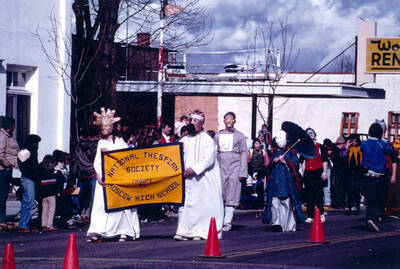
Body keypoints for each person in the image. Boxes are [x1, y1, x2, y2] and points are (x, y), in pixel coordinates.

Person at [87, 108, 140, 242]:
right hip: (103, 179)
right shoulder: (101, 142)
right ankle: (98, 231)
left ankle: (124, 231)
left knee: (120, 207)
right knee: (100, 205)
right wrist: (98, 175)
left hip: (117, 179)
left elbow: (124, 159)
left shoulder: (120, 142)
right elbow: (97, 161)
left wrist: (109, 153)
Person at [174, 110, 224, 240]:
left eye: (195, 121)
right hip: (187, 179)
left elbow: (209, 159)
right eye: (191, 120)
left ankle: (201, 232)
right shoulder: (184, 139)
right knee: (187, 204)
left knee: (203, 204)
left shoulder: (208, 139)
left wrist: (194, 169)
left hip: (203, 179)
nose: (192, 123)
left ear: (202, 123)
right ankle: (185, 231)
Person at [263, 130, 304, 231]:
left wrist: (285, 161)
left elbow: (295, 164)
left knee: (286, 203)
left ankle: (288, 225)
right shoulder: (275, 152)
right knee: (275, 202)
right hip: (275, 181)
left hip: (286, 180)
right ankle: (277, 224)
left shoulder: (291, 152)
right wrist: (274, 161)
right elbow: (269, 166)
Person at [214, 112, 248, 232]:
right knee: (219, 194)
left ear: (234, 121)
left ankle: (227, 222)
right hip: (221, 166)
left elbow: (244, 153)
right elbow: (214, 152)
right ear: (224, 120)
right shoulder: (217, 136)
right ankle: (218, 220)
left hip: (235, 167)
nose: (229, 121)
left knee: (232, 194)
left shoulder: (240, 136)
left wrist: (242, 172)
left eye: (231, 119)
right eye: (226, 119)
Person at [361, 123, 397, 232]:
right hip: (379, 176)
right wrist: (384, 139)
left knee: (370, 199)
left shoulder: (364, 144)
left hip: (367, 175)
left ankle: (369, 219)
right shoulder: (382, 144)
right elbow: (391, 152)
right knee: (379, 198)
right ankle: (374, 218)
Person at [70, 124, 99, 221]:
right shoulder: (97, 146)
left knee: (77, 193)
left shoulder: (78, 146)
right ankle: (93, 216)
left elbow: (74, 159)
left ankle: (76, 213)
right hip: (93, 173)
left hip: (80, 173)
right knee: (93, 195)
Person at [302, 128, 328, 223]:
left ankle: (321, 214)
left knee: (318, 194)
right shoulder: (305, 149)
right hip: (308, 173)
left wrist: (324, 172)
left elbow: (325, 160)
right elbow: (301, 161)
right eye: (308, 134)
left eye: (311, 133)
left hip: (318, 172)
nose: (310, 135)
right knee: (309, 194)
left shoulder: (320, 147)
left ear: (315, 135)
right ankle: (310, 215)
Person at [17, 134, 41, 232]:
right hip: (27, 178)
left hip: (31, 178)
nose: (37, 145)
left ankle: (26, 224)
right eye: (36, 143)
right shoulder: (25, 151)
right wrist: (31, 172)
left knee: (28, 202)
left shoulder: (32, 151)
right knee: (28, 202)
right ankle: (23, 225)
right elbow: (21, 164)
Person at [0, 117, 19, 229]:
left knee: (4, 195)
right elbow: (0, 154)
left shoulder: (8, 135)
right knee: (2, 195)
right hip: (3, 170)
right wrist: (7, 165)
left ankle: (2, 218)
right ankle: (1, 219)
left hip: (7, 169)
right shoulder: (2, 136)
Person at [38, 155, 64, 231]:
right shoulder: (54, 173)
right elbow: (61, 180)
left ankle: (44, 224)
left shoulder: (42, 173)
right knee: (51, 210)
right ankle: (50, 225)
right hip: (52, 194)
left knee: (44, 210)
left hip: (43, 194)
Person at [248, 138, 269, 208]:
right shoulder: (250, 152)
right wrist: (250, 174)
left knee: (260, 189)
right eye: (255, 143)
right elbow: (247, 162)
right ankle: (253, 205)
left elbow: (267, 163)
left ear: (260, 144)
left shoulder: (263, 152)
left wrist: (263, 175)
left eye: (258, 143)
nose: (257, 145)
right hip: (252, 172)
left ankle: (260, 205)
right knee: (252, 189)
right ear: (253, 145)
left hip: (261, 173)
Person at [345, 134, 363, 215]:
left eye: (355, 140)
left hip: (358, 173)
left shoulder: (360, 149)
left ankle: (357, 208)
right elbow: (342, 156)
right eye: (352, 140)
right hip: (348, 173)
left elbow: (362, 161)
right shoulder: (348, 149)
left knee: (356, 191)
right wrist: (347, 146)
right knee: (349, 191)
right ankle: (348, 208)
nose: (353, 142)